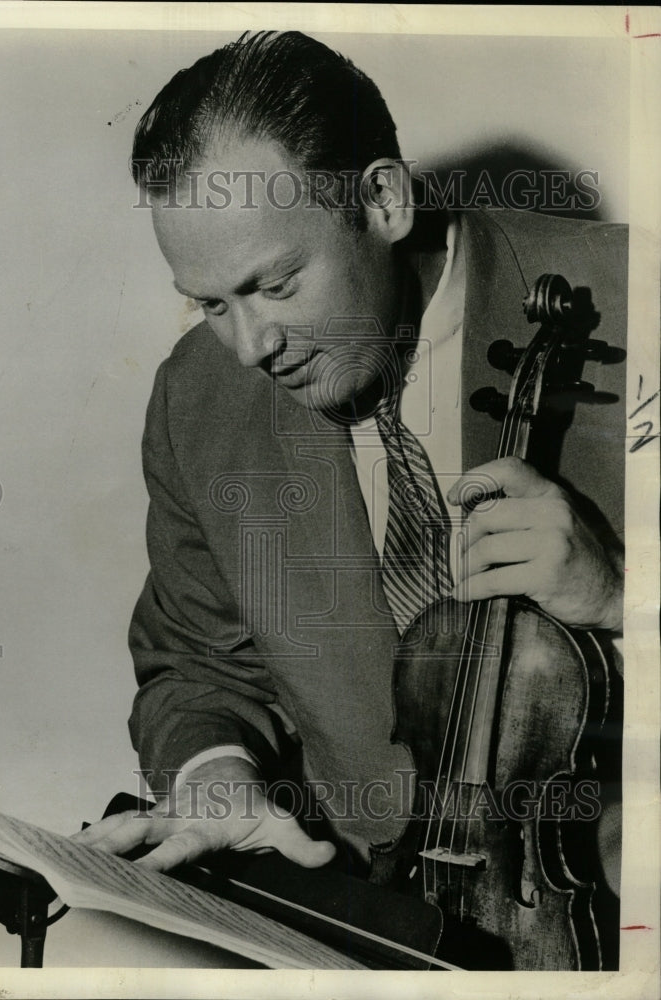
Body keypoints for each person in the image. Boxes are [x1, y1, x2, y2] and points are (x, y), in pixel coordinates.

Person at [74, 30, 625, 947]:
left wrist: (619, 596)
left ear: (382, 199)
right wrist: (219, 774)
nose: (250, 347)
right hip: (378, 925)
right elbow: (196, 665)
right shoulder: (198, 398)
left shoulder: (637, 294)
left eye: (275, 284)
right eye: (210, 304)